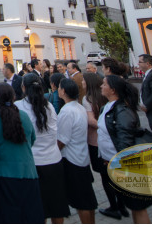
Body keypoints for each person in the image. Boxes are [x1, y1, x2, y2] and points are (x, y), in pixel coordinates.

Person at [0, 82, 45, 224]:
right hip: (28, 172)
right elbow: (32, 139)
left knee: (7, 217)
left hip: (4, 174)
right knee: (30, 216)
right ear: (14, 96)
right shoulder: (24, 115)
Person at [98, 75, 152, 223]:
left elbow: (125, 140)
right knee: (134, 206)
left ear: (113, 90)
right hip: (114, 163)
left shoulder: (123, 110)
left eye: (104, 84)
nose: (101, 86)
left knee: (139, 208)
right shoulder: (108, 107)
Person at [18, 73, 70, 223]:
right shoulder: (48, 106)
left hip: (32, 163)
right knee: (56, 206)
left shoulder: (20, 106)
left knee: (36, 208)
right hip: (53, 160)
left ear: (23, 88)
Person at [83, 71, 124, 219]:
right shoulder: (105, 99)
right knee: (113, 176)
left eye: (83, 81)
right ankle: (121, 205)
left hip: (98, 143)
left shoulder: (88, 99)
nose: (82, 83)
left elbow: (92, 121)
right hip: (108, 144)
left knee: (106, 176)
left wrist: (104, 126)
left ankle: (115, 206)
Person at [57, 78, 98, 224]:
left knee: (82, 201)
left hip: (72, 158)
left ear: (63, 91)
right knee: (87, 197)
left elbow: (62, 139)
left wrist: (54, 152)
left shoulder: (67, 111)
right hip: (82, 156)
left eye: (60, 88)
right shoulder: (79, 107)